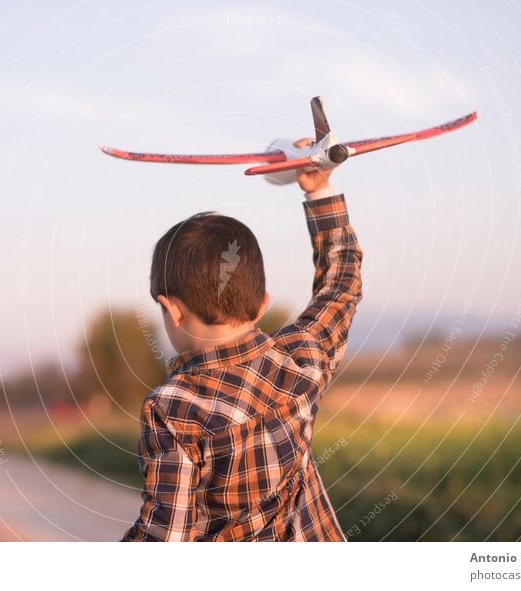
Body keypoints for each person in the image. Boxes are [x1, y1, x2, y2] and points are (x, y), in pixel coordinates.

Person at [122, 139, 362, 541]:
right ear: (262, 304)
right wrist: (319, 189)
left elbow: (166, 535)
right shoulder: (302, 358)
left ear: (172, 310)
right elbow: (341, 286)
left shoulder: (172, 409)